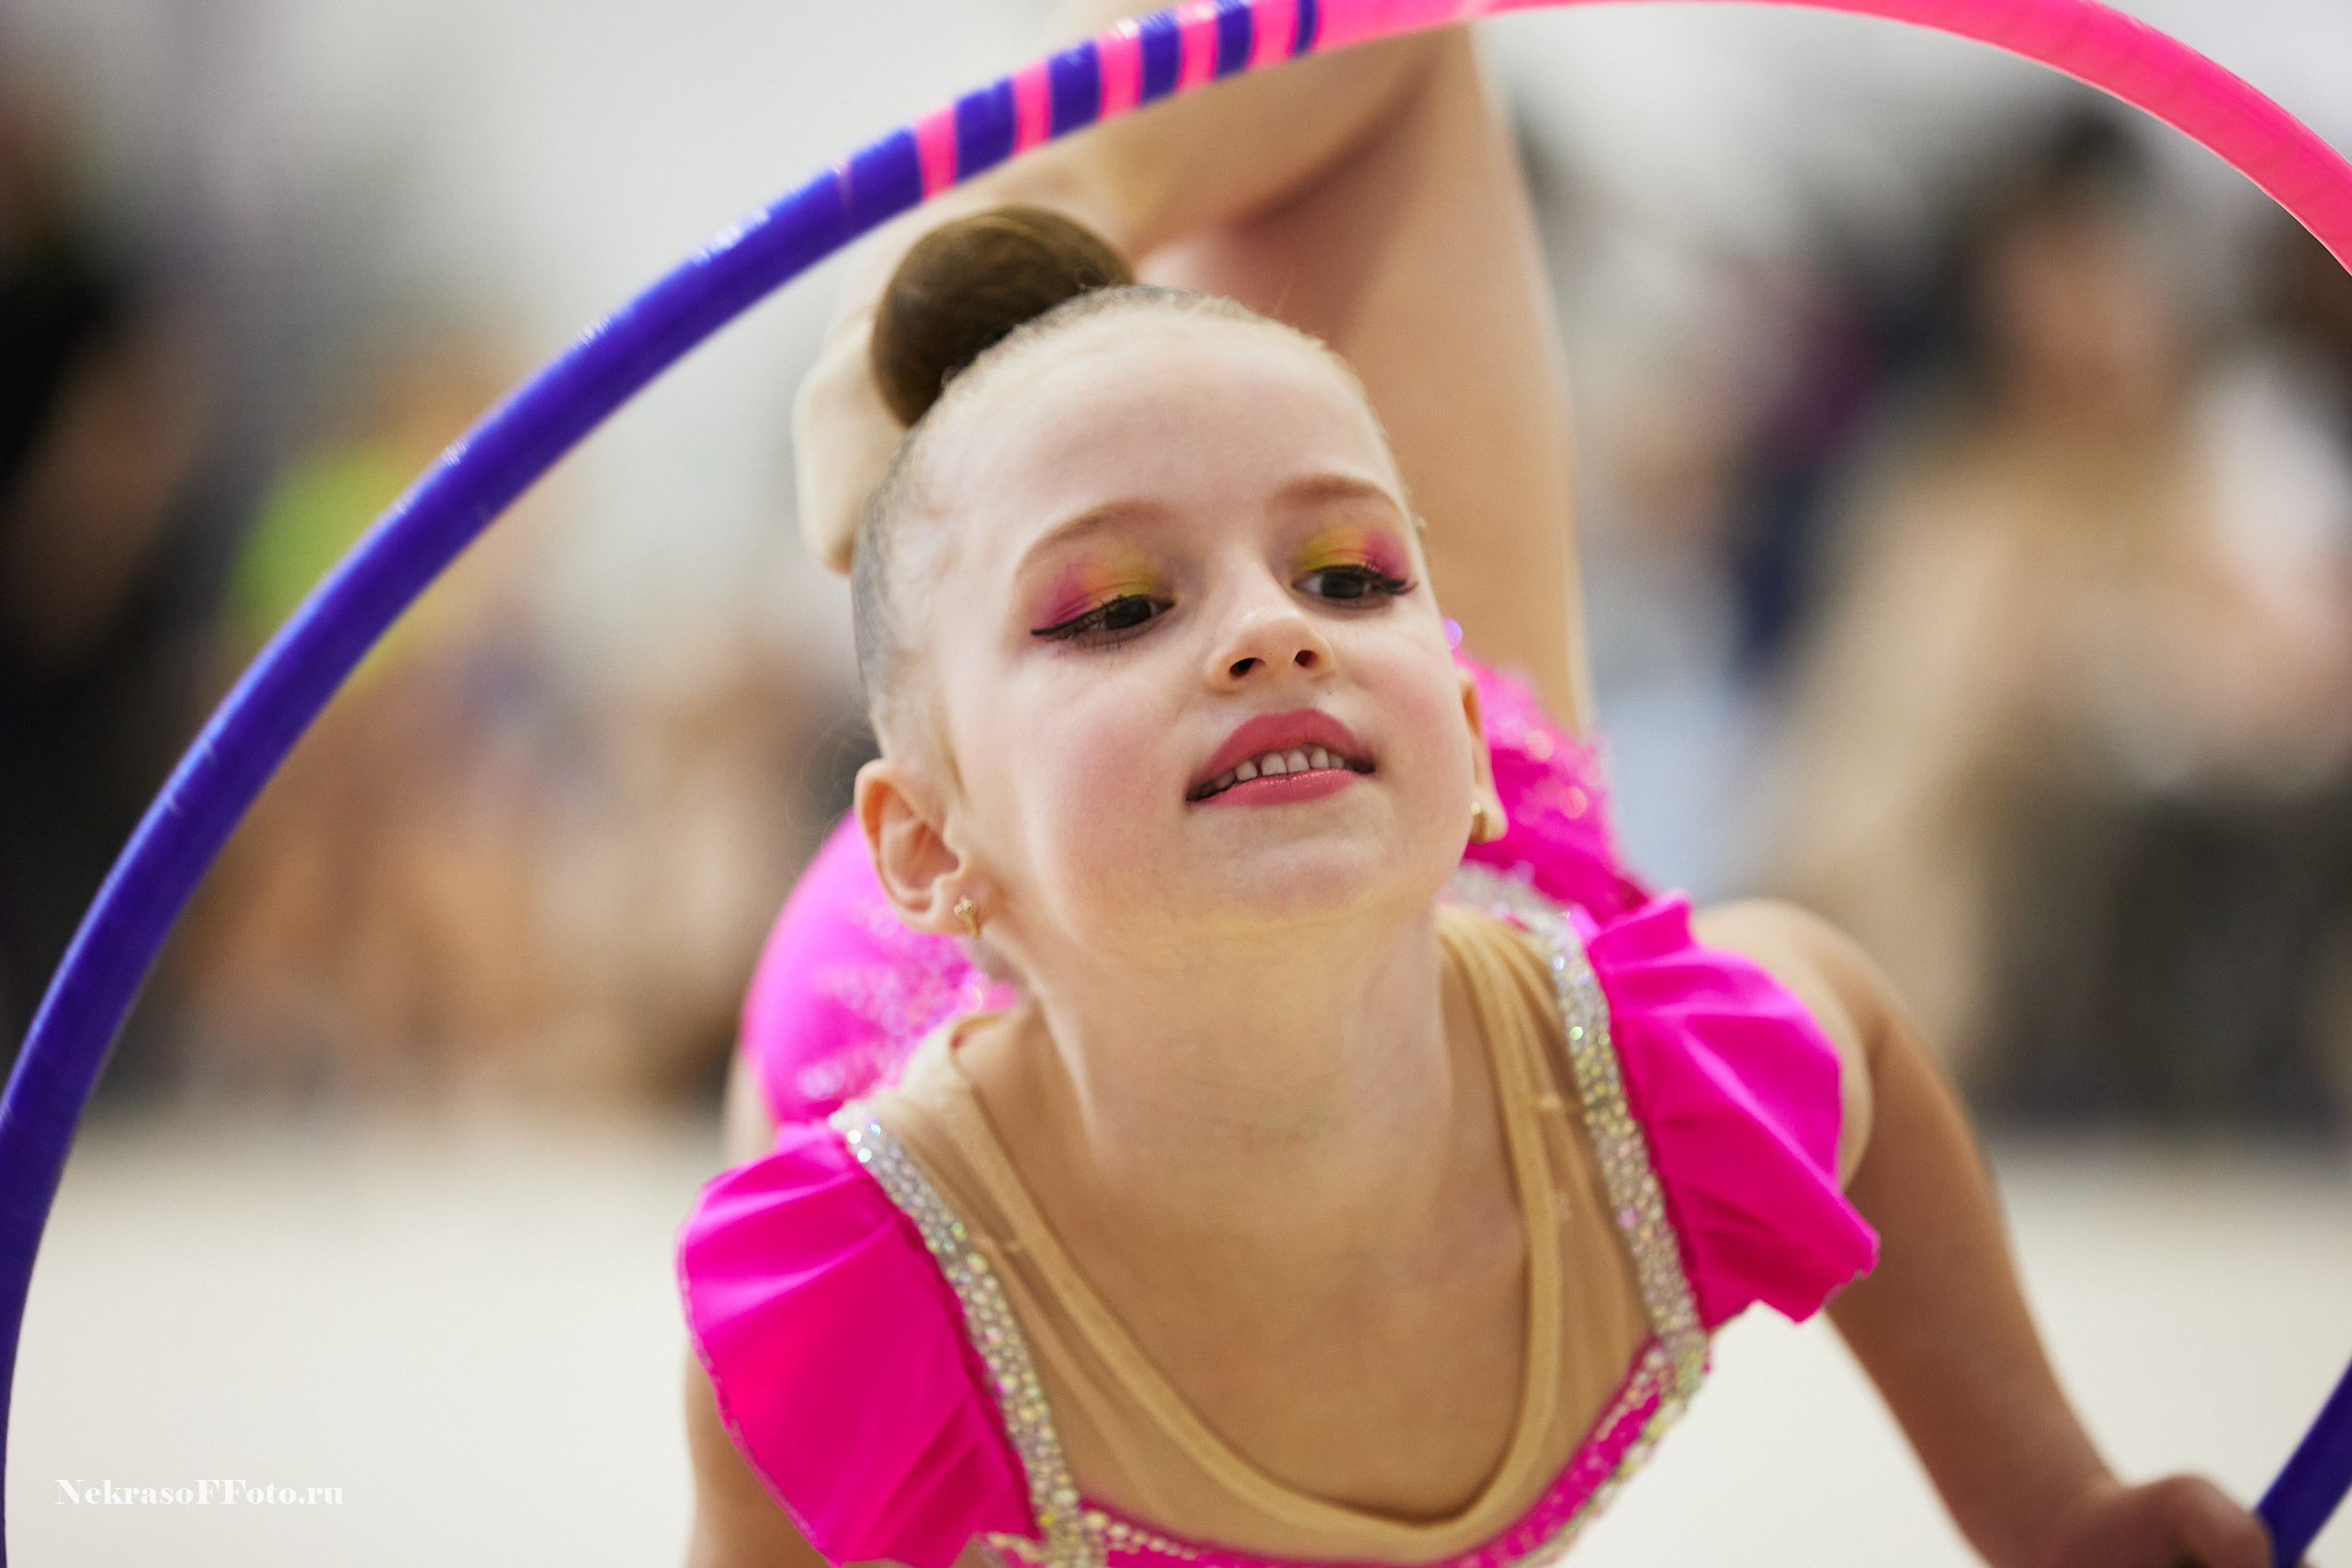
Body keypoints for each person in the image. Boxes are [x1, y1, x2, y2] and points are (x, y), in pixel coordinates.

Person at [676, 12, 2278, 1566]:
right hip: (898, 993)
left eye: (1351, 572)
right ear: (931, 840)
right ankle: (981, 369)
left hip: (1467, 870)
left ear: (1444, 684)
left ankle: (1053, 228)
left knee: (1389, 47)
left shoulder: (1644, 1102)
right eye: (1113, 607)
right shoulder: (867, 1295)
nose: (1269, 630)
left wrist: (2051, 1506)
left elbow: (1848, 1026)